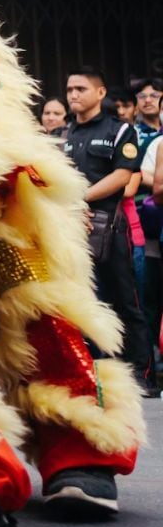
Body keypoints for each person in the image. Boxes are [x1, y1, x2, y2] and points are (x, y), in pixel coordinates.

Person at [62, 68, 146, 387]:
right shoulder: (68, 133)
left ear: (100, 93)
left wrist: (79, 198)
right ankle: (99, 367)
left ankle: (141, 371)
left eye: (81, 88)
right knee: (86, 300)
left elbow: (123, 176)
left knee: (124, 298)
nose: (73, 94)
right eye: (69, 89)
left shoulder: (120, 130)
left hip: (110, 226)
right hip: (71, 228)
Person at [129, 79, 161, 396]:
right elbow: (135, 171)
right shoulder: (137, 136)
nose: (149, 100)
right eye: (143, 95)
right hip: (146, 223)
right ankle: (150, 370)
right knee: (148, 298)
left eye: (155, 95)